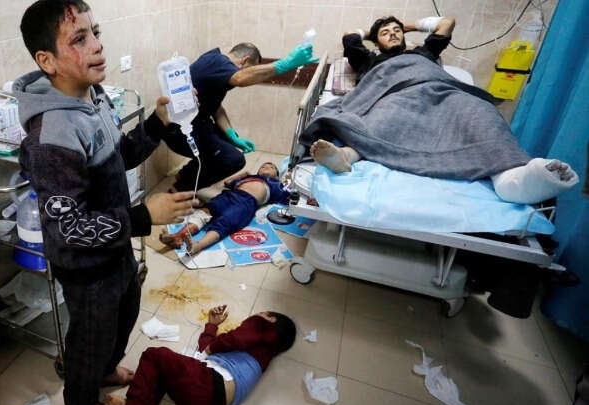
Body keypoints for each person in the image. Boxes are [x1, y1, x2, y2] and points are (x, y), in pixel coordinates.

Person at [15, 2, 197, 405]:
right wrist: (143, 216)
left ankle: (105, 369)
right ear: (47, 61)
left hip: (114, 248)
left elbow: (119, 155)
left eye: (95, 32)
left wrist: (158, 122)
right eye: (79, 39)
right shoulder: (51, 137)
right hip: (85, 266)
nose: (97, 46)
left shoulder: (93, 97)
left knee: (124, 313)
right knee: (90, 339)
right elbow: (69, 229)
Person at [309, 15, 578, 204]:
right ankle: (346, 156)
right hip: (393, 95)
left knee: (481, 112)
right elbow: (350, 36)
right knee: (384, 117)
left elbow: (447, 23)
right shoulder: (369, 59)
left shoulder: (424, 53)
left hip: (440, 92)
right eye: (385, 33)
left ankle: (511, 178)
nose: (393, 33)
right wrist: (373, 32)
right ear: (376, 43)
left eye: (396, 30)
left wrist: (405, 27)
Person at [94, 305, 297, 405]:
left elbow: (228, 341)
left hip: (211, 387)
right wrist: (211, 326)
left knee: (154, 356)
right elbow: (205, 351)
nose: (248, 321)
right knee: (163, 371)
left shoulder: (264, 328)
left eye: (259, 314)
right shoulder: (260, 353)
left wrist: (210, 348)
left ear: (270, 319)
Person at [166, 43, 318, 193]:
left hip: (193, 123)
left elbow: (216, 109)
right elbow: (240, 78)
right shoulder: (217, 62)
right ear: (245, 60)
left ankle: (184, 175)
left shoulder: (215, 62)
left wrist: (232, 136)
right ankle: (179, 190)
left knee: (226, 142)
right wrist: (286, 64)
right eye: (252, 70)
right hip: (179, 131)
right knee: (233, 160)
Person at [159, 162, 289, 255]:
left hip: (246, 203)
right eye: (263, 166)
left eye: (271, 167)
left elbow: (288, 197)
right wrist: (244, 174)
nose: (266, 167)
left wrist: (287, 181)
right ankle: (177, 236)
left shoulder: (275, 184)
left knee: (225, 223)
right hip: (229, 195)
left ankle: (197, 246)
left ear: (276, 175)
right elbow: (228, 183)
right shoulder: (249, 178)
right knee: (205, 211)